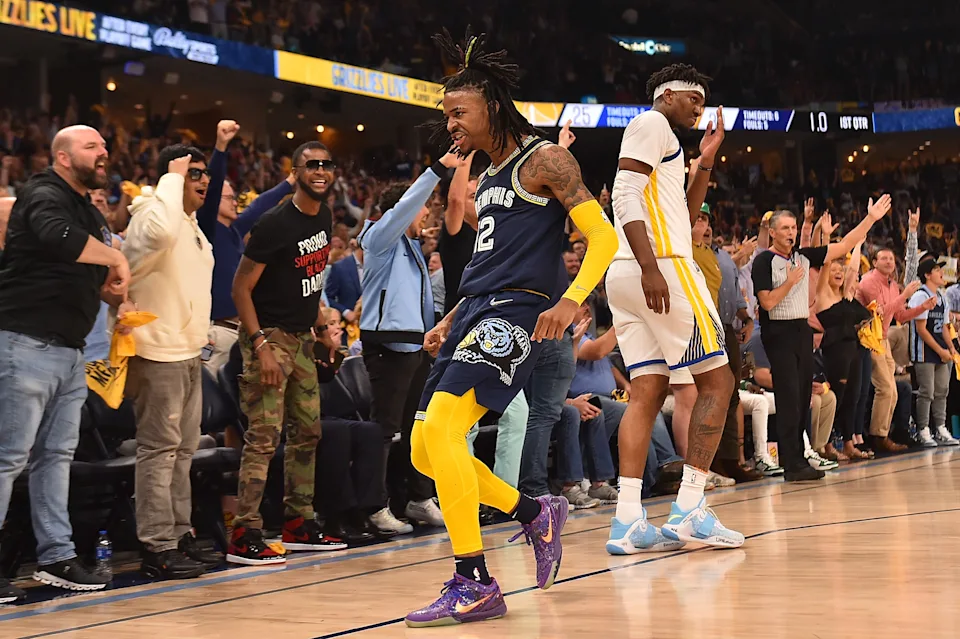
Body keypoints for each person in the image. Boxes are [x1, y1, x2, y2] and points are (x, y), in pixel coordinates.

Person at [404, 30, 617, 627]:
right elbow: (489, 258)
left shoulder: (544, 159)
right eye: (446, 114)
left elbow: (602, 237)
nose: (449, 124)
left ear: (492, 106)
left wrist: (571, 300)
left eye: (458, 112)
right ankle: (533, 512)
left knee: (444, 429)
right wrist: (451, 317)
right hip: (476, 309)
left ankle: (473, 580)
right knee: (424, 450)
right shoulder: (491, 174)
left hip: (516, 312)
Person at [604, 63, 741, 556]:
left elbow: (682, 211)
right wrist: (651, 266)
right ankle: (689, 508)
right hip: (659, 265)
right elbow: (624, 193)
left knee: (646, 391)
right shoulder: (652, 123)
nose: (699, 107)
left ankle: (627, 519)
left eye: (703, 100)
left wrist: (705, 159)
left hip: (628, 273)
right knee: (719, 381)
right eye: (692, 98)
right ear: (666, 96)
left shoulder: (666, 142)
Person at [0, 126, 128, 600]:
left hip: (70, 351)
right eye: (91, 146)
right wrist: (115, 258)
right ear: (62, 156)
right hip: (26, 342)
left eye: (104, 145)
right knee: (7, 457)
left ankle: (56, 557)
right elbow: (59, 239)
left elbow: (89, 273)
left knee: (55, 457)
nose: (103, 151)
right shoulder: (43, 193)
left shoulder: (87, 210)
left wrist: (112, 291)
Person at [227, 141, 346, 564]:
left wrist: (321, 329)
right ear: (294, 173)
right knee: (264, 437)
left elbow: (308, 282)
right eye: (311, 165)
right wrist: (260, 345)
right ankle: (244, 532)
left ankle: (298, 522)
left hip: (301, 338)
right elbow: (240, 289)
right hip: (269, 337)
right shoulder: (274, 223)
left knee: (308, 432)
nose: (320, 171)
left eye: (326, 164)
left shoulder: (325, 216)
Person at [120, 143, 224, 580]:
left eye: (205, 173)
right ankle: (156, 545)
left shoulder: (189, 223)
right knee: (160, 452)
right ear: (172, 176)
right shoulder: (151, 214)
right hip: (157, 351)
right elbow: (160, 236)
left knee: (183, 452)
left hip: (188, 351)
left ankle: (179, 535)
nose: (204, 180)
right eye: (193, 172)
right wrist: (171, 177)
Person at [358, 150, 463, 535]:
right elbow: (406, 207)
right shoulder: (379, 239)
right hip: (386, 348)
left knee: (419, 428)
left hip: (414, 348)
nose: (426, 215)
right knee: (385, 431)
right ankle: (375, 507)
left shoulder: (411, 248)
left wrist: (428, 333)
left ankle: (418, 499)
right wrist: (437, 170)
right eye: (422, 209)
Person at [752, 197, 892, 482]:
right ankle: (791, 463)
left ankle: (799, 458)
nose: (791, 232)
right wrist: (790, 282)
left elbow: (844, 245)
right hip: (778, 333)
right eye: (785, 228)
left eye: (794, 227)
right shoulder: (763, 261)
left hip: (802, 329)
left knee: (804, 395)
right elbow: (766, 302)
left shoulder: (803, 257)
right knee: (789, 397)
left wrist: (870, 219)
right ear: (773, 232)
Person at [208, 169, 296, 374]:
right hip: (218, 330)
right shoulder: (209, 230)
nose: (235, 203)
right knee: (209, 386)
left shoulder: (234, 230)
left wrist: (290, 181)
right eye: (229, 198)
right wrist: (221, 151)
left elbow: (258, 206)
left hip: (240, 331)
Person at [856, 212, 923, 453]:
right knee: (885, 388)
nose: (888, 262)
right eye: (883, 258)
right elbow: (881, 312)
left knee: (893, 390)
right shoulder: (869, 281)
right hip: (868, 339)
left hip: (882, 339)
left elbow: (900, 316)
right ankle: (877, 436)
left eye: (891, 259)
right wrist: (904, 295)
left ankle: (883, 433)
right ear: (874, 262)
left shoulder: (892, 284)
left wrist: (921, 307)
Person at [814, 238, 873, 460]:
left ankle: (848, 444)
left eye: (841, 270)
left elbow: (853, 269)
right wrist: (828, 245)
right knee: (837, 398)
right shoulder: (823, 294)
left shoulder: (846, 295)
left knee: (852, 398)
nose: (839, 273)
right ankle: (828, 444)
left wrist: (858, 244)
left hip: (853, 350)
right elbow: (826, 264)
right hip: (835, 352)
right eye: (834, 270)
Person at [908, 259, 960, 447]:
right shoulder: (920, 296)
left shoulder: (942, 296)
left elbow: (945, 326)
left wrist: (951, 348)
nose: (941, 272)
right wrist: (940, 350)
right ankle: (923, 429)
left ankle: (940, 427)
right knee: (927, 392)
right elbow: (921, 329)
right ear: (927, 275)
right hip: (924, 352)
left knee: (942, 391)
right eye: (937, 269)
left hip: (942, 350)